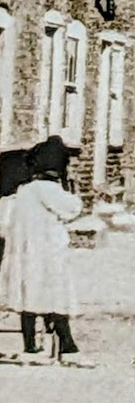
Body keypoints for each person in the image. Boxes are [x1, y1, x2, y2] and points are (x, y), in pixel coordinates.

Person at [0, 138, 83, 356]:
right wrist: (70, 189)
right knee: (55, 298)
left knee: (27, 299)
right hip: (48, 253)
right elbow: (73, 208)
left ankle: (30, 344)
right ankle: (66, 342)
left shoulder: (24, 191)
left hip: (25, 252)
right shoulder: (49, 190)